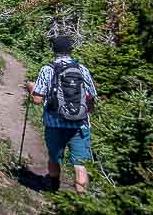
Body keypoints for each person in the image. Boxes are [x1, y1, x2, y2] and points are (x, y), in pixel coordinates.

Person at [26, 35, 97, 194]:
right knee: (80, 165)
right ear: (70, 50)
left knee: (54, 158)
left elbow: (37, 99)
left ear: (54, 50)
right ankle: (81, 204)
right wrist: (88, 112)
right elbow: (91, 97)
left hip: (54, 123)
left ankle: (53, 190)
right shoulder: (82, 69)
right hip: (80, 124)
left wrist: (30, 87)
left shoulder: (48, 69)